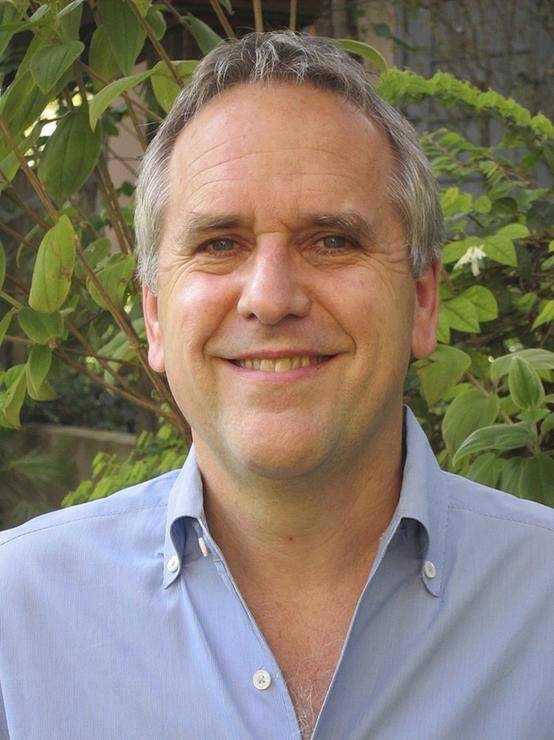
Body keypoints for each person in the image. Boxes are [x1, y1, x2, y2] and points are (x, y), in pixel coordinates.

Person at [0, 31, 552, 740]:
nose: (270, 297)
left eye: (332, 240)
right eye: (219, 244)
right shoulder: (18, 617)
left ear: (422, 302)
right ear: (156, 317)